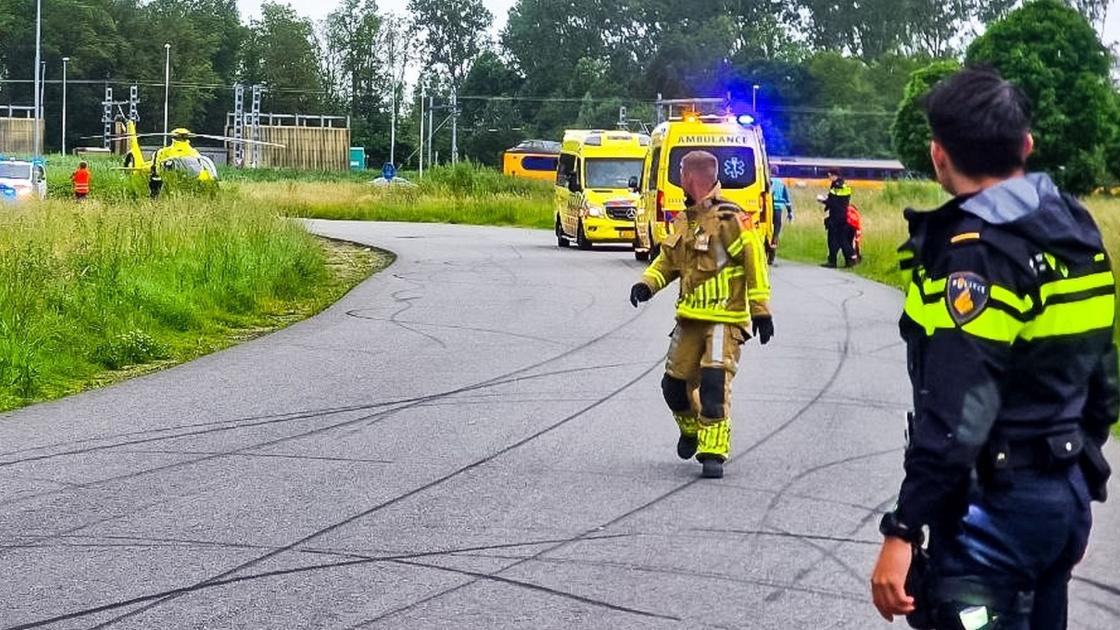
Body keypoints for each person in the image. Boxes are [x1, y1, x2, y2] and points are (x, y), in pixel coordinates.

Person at [870, 66, 1117, 629]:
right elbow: (1103, 377)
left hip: (994, 510)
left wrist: (903, 528)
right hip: (1063, 495)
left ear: (938, 156)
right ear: (1026, 146)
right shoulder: (1075, 230)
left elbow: (959, 410)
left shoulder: (977, 255)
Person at [629, 151, 774, 479]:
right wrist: (646, 285)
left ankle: (713, 451)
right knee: (673, 387)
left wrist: (761, 311)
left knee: (713, 381)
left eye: (681, 173)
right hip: (689, 319)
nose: (680, 179)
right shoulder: (686, 218)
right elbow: (668, 261)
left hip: (725, 317)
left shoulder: (730, 218)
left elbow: (755, 263)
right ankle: (691, 429)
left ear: (691, 177)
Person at [819, 168, 857, 267]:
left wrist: (822, 200)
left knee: (832, 239)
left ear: (834, 175)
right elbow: (843, 201)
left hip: (836, 217)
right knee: (843, 239)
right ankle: (849, 260)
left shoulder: (835, 186)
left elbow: (833, 202)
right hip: (844, 216)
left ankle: (833, 261)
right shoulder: (845, 186)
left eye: (829, 176)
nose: (829, 178)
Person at [770, 176, 794, 264]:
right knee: (776, 233)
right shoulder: (782, 183)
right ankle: (771, 257)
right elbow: (787, 200)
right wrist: (790, 212)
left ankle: (765, 253)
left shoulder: (767, 180)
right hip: (778, 210)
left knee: (766, 231)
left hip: (767, 209)